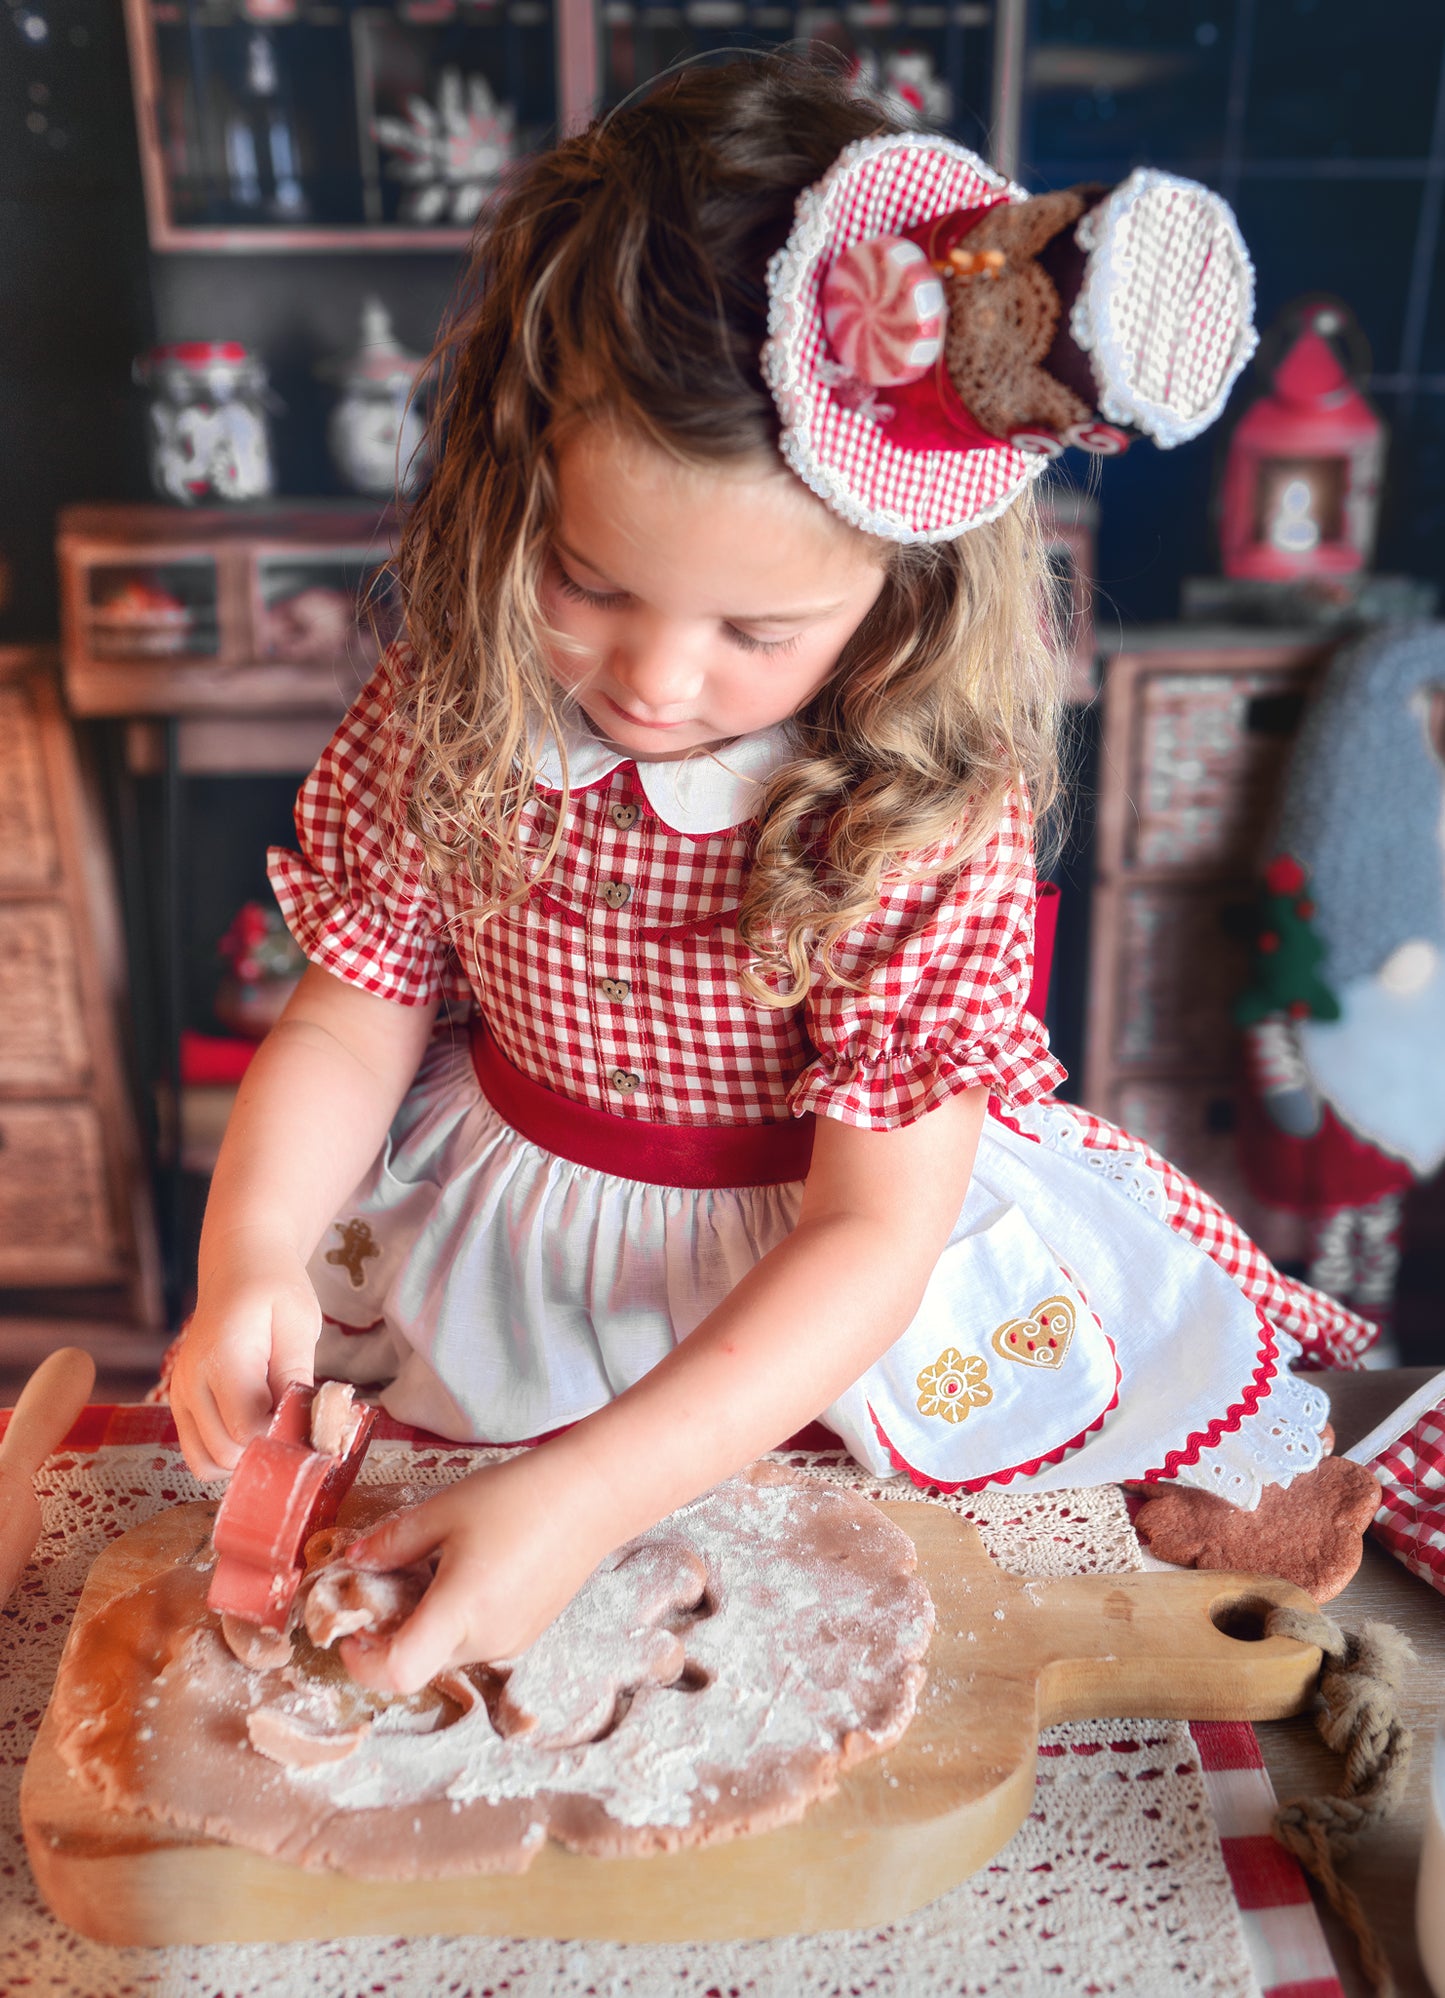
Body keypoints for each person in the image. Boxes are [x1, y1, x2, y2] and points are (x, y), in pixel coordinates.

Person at [168, 55, 1376, 1695]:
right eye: (585, 577)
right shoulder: (455, 700)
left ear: (900, 592)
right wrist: (248, 1253)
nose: (655, 681)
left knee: (824, 1628)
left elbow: (872, 1233)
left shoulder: (916, 806)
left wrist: (597, 1482)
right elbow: (350, 1015)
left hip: (818, 1280)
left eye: (756, 632)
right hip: (509, 1238)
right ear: (504, 488)